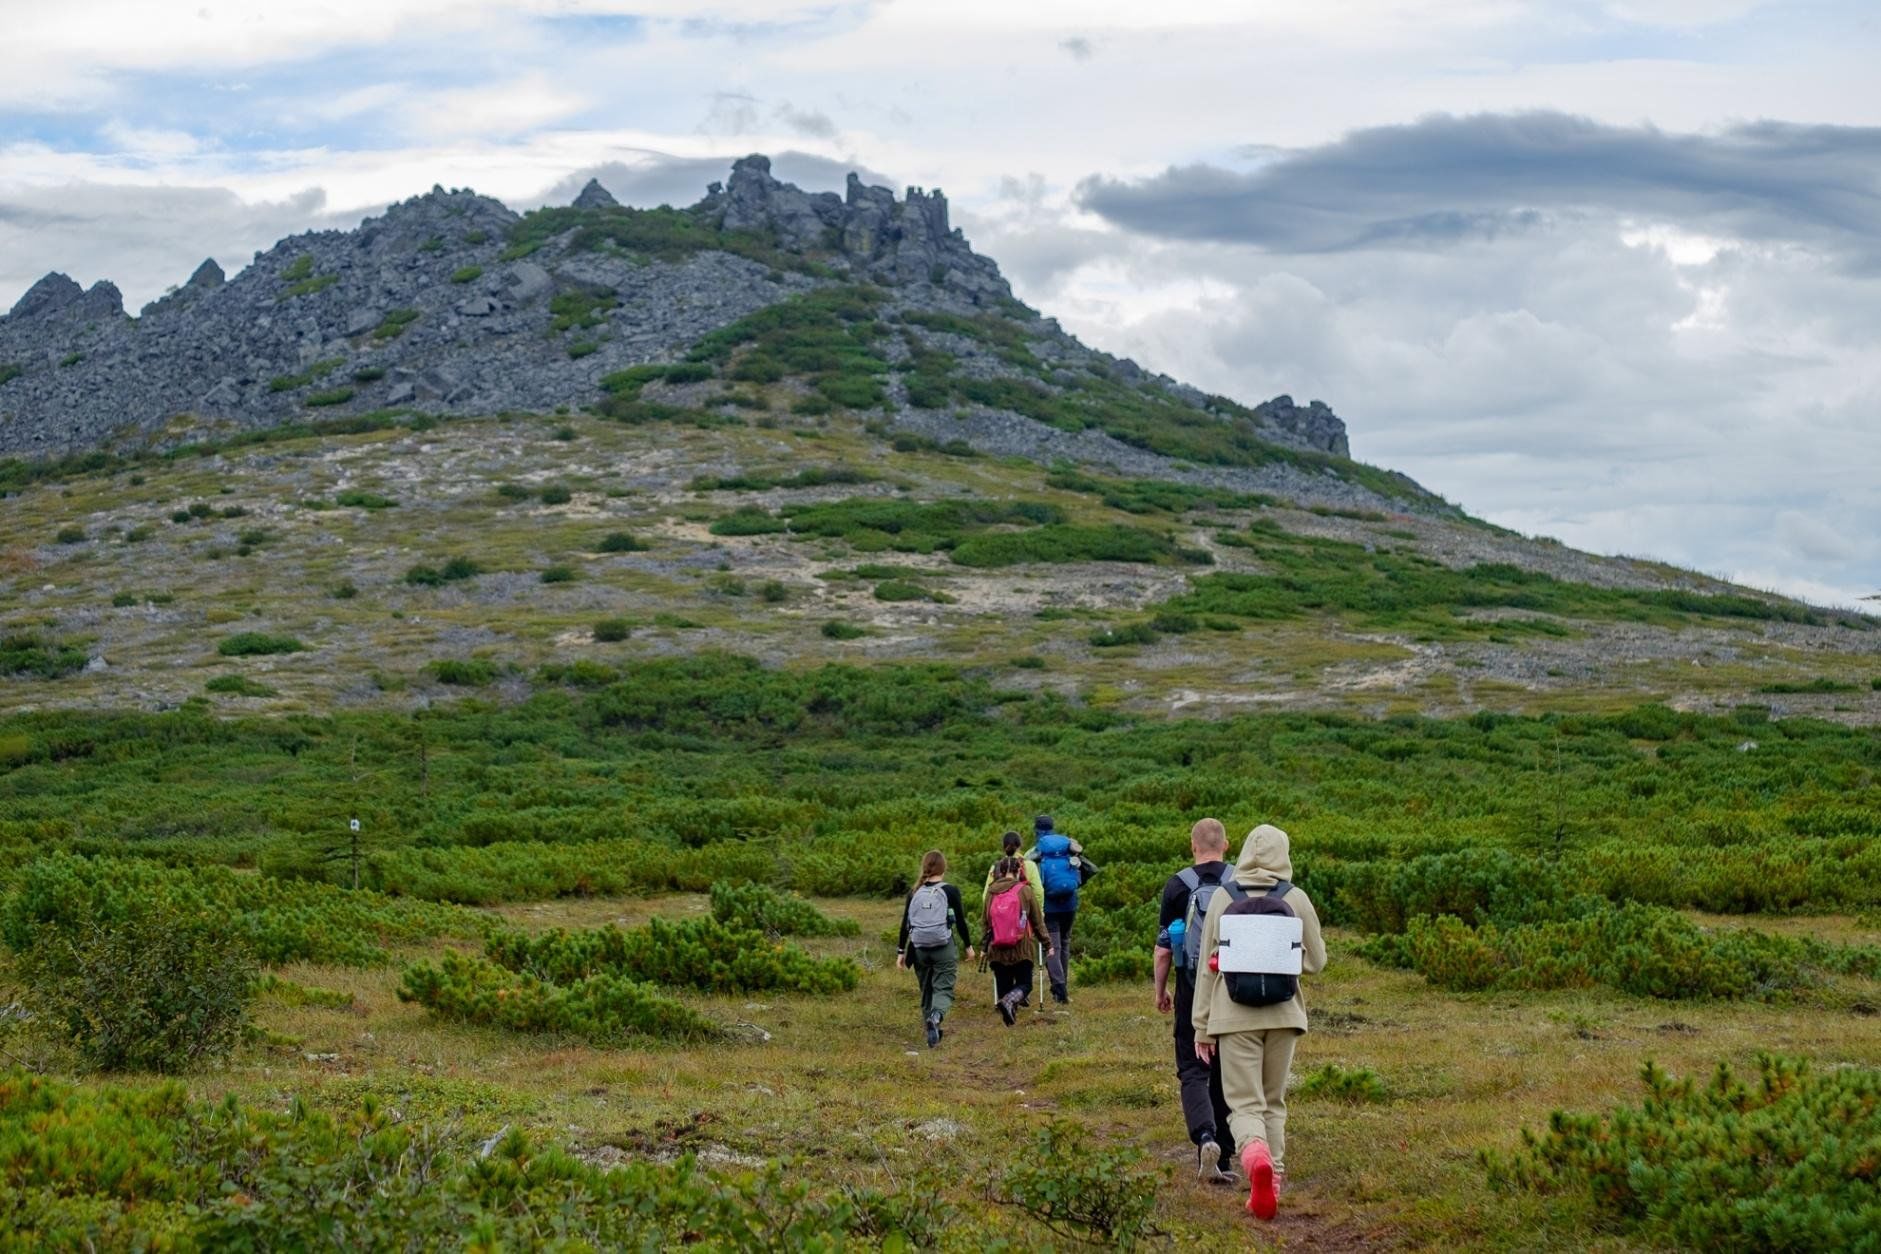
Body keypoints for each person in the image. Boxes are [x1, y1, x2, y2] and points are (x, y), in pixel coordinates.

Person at [1191, 823, 1326, 1222]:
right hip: (1285, 1016)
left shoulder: (1222, 896)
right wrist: (1281, 959)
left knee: (1244, 1104)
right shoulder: (1295, 897)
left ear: (1245, 851)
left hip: (1233, 1017)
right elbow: (1317, 961)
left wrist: (1202, 1026)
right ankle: (1275, 1182)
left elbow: (1206, 969)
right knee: (1273, 1102)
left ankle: (1255, 1160)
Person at [1153, 818, 1238, 1184]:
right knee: (1226, 1070)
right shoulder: (1240, 882)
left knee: (1192, 1069)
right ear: (1227, 845)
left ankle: (1204, 1137)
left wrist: (1160, 992)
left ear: (1193, 846)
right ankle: (1227, 1150)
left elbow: (1162, 949)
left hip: (1190, 989)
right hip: (1234, 991)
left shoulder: (1178, 885)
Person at [896, 849, 975, 1047]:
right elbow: (960, 922)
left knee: (926, 990)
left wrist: (900, 951)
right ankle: (936, 1017)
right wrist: (968, 946)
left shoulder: (914, 892)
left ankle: (931, 1032)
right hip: (943, 946)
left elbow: (906, 922)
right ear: (943, 868)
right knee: (943, 987)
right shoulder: (950, 890)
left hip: (919, 947)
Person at [1026, 814, 1094, 1003]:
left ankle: (1059, 988)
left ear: (1036, 830)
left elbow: (1026, 878)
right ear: (1052, 828)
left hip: (1049, 907)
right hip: (1070, 904)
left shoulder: (1036, 851)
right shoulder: (1067, 848)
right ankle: (1062, 988)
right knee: (1064, 943)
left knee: (1052, 946)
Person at [982, 855, 1051, 1024]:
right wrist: (1047, 943)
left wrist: (985, 947)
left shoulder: (991, 892)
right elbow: (1037, 921)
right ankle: (1010, 1003)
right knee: (1025, 984)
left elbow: (985, 921)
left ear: (1000, 871)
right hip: (1021, 947)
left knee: (1004, 988)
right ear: (1019, 870)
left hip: (997, 949)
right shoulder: (1025, 891)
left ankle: (1009, 1021)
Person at [983, 830, 1045, 917]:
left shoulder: (995, 867)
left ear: (1003, 847)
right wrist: (1038, 913)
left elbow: (986, 895)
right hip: (1023, 916)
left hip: (1000, 917)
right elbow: (1038, 892)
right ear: (1020, 846)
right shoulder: (1029, 865)